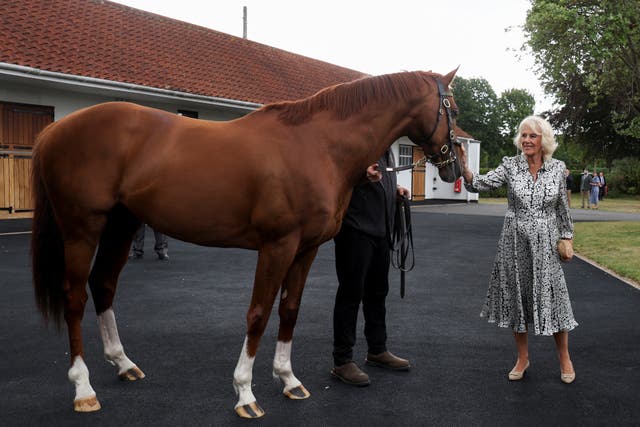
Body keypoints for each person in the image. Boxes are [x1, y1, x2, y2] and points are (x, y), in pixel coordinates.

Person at [459, 115, 577, 384]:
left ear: (543, 140)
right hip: (514, 241)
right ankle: (522, 358)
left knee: (555, 298)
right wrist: (465, 167)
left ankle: (564, 358)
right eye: (523, 135)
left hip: (547, 242)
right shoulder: (510, 166)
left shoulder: (558, 168)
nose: (526, 140)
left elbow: (562, 206)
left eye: (532, 136)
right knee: (517, 299)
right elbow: (480, 183)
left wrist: (567, 236)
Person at [331, 150, 411, 386]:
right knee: (350, 294)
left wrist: (394, 191)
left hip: (381, 230)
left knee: (377, 293)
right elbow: (337, 177)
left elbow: (382, 179)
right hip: (355, 229)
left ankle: (377, 350)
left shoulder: (385, 148)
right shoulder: (357, 141)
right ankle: (342, 360)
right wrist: (363, 176)